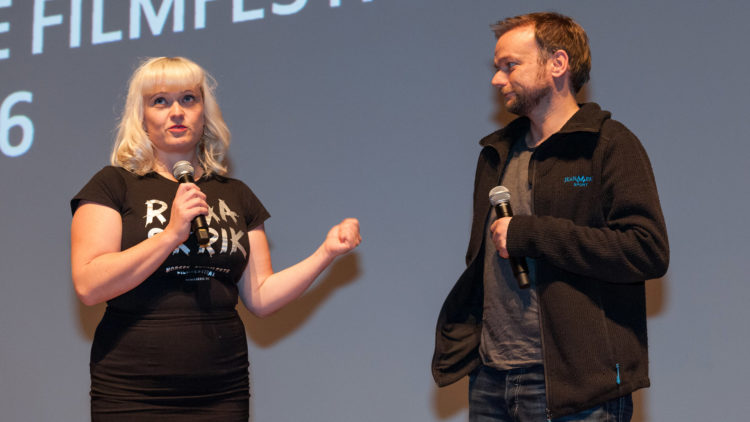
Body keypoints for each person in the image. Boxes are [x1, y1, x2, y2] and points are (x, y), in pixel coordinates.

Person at [70, 56, 361, 421]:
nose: (176, 111)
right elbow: (89, 284)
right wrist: (171, 234)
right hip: (133, 391)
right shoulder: (113, 185)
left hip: (221, 391)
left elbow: (261, 296)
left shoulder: (235, 194)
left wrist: (325, 253)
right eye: (160, 101)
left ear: (204, 112)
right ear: (141, 116)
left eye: (188, 99)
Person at [431, 12, 669, 421]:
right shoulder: (496, 153)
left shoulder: (607, 144)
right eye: (496, 68)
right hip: (492, 378)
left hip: (575, 386)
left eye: (510, 66)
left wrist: (532, 234)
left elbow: (645, 249)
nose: (497, 79)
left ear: (557, 64)